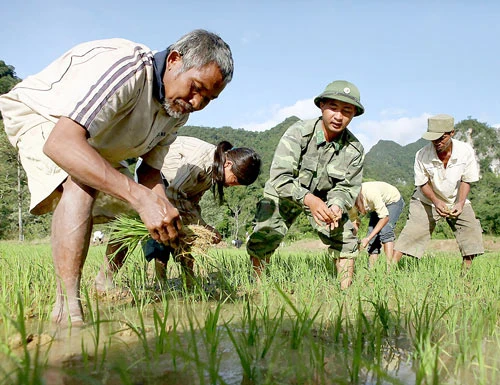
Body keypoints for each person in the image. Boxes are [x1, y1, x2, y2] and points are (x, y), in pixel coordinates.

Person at [0, 29, 234, 325]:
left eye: (208, 99)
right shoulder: (130, 69)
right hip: (46, 118)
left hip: (96, 142)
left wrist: (160, 206)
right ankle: (67, 309)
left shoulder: (178, 110)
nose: (197, 102)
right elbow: (63, 143)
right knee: (82, 182)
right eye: (196, 88)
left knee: (140, 214)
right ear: (175, 60)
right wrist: (139, 197)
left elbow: (149, 170)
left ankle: (104, 281)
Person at [94, 136, 261, 290]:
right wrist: (203, 226)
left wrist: (198, 225)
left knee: (185, 233)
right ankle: (107, 279)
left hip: (171, 189)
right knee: (132, 225)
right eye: (236, 180)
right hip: (153, 177)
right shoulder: (203, 161)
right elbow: (175, 194)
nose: (233, 185)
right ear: (228, 164)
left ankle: (189, 280)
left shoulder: (214, 172)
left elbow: (192, 202)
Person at [246, 80, 365, 289]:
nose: (338, 116)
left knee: (345, 235)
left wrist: (336, 205)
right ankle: (256, 287)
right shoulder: (299, 133)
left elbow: (347, 187)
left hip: (324, 200)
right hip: (284, 193)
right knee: (264, 235)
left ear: (354, 114)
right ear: (322, 106)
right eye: (333, 108)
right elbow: (280, 178)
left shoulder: (354, 150)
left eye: (346, 111)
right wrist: (309, 199)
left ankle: (346, 292)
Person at [390, 114, 484, 268]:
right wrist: (436, 201)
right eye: (433, 139)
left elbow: (466, 180)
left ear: (452, 133)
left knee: (471, 232)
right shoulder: (422, 155)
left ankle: (466, 274)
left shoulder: (465, 151)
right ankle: (389, 270)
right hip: (427, 200)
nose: (437, 142)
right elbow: (422, 183)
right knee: (412, 232)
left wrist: (460, 203)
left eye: (441, 138)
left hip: (456, 199)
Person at [352, 181, 405, 268]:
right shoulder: (351, 201)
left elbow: (385, 218)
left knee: (386, 230)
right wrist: (353, 239)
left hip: (392, 201)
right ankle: (371, 269)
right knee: (372, 234)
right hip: (377, 206)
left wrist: (367, 239)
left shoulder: (371, 193)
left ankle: (389, 268)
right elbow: (355, 222)